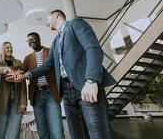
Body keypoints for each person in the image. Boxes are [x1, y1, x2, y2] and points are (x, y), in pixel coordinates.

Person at [8, 10, 116, 139]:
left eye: (47, 18)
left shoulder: (75, 24)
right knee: (77, 133)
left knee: (98, 134)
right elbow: (47, 66)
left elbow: (93, 48)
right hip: (66, 91)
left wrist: (91, 80)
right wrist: (25, 75)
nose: (45, 23)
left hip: (84, 85)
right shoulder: (55, 41)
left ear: (56, 15)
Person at [22, 32, 64, 139]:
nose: (31, 42)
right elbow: (21, 73)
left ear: (39, 39)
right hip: (36, 95)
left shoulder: (50, 52)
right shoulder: (28, 58)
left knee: (57, 131)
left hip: (51, 94)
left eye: (33, 39)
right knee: (42, 130)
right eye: (29, 40)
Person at [0, 42, 27, 139]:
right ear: (3, 49)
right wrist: (18, 73)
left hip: (17, 98)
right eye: (7, 47)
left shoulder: (19, 63)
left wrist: (24, 102)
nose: (10, 49)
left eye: (11, 47)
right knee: (0, 130)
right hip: (2, 99)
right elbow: (7, 76)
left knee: (14, 131)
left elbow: (23, 83)